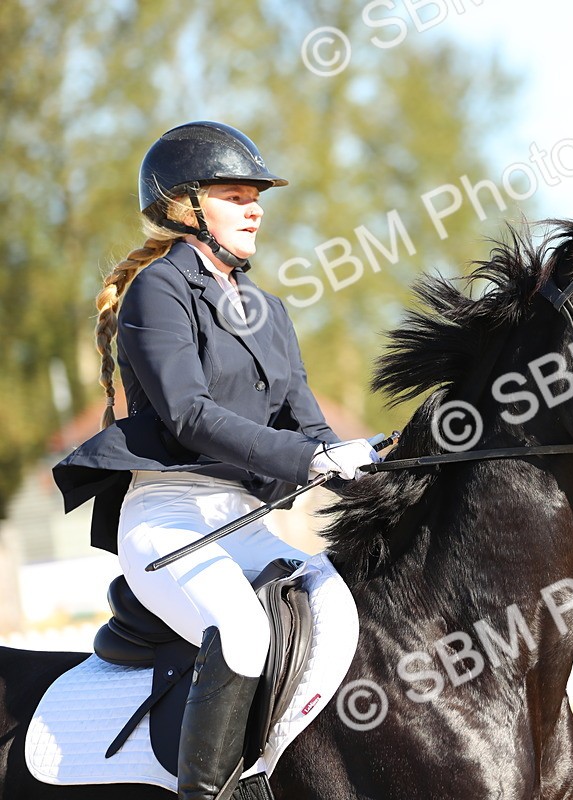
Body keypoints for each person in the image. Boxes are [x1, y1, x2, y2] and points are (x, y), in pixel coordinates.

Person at [52, 121, 381, 800]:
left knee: (342, 608)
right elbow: (188, 414)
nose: (256, 206)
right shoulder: (159, 291)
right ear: (185, 207)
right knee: (240, 630)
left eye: (256, 194)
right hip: (168, 526)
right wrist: (308, 457)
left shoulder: (268, 309)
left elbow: (308, 422)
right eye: (235, 195)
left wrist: (373, 464)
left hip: (244, 524)